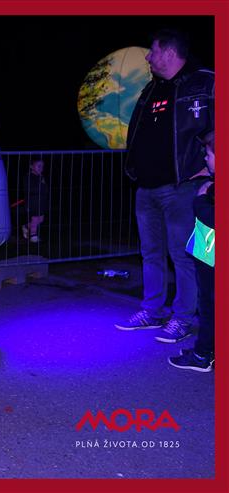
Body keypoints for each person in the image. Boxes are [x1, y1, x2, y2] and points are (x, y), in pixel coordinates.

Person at [115, 29, 215, 343]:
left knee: (182, 255)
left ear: (169, 53)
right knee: (151, 253)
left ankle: (183, 318)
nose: (148, 56)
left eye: (153, 50)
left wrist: (210, 174)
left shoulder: (206, 83)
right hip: (146, 187)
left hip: (182, 186)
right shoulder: (151, 88)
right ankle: (153, 311)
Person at [168, 131, 215, 371]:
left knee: (209, 306)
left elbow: (213, 219)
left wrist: (200, 199)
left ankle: (202, 355)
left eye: (209, 155)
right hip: (208, 254)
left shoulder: (210, 190)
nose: (205, 159)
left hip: (212, 257)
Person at [21, 158, 48, 243]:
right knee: (35, 219)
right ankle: (33, 236)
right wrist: (40, 185)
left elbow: (45, 189)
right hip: (32, 201)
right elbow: (31, 189)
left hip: (41, 201)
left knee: (41, 219)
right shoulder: (28, 177)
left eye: (42, 166)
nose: (41, 168)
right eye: (38, 166)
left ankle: (26, 226)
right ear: (31, 166)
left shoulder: (41, 176)